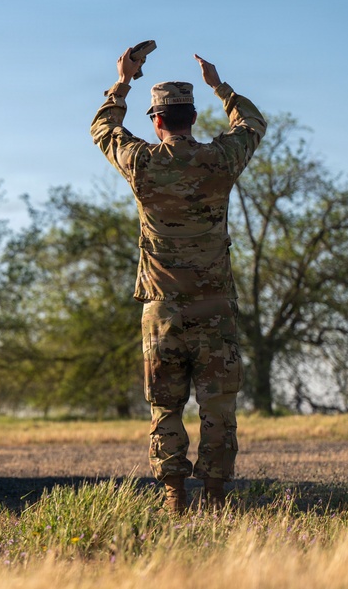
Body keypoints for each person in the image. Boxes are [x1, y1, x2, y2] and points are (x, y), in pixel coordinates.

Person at [90, 48, 267, 513]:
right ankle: (212, 497)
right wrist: (220, 86)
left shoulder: (143, 164)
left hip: (162, 313)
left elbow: (103, 129)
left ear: (157, 121)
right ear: (191, 116)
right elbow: (252, 125)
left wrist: (123, 82)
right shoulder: (219, 162)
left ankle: (173, 497)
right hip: (215, 311)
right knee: (218, 410)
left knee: (165, 409)